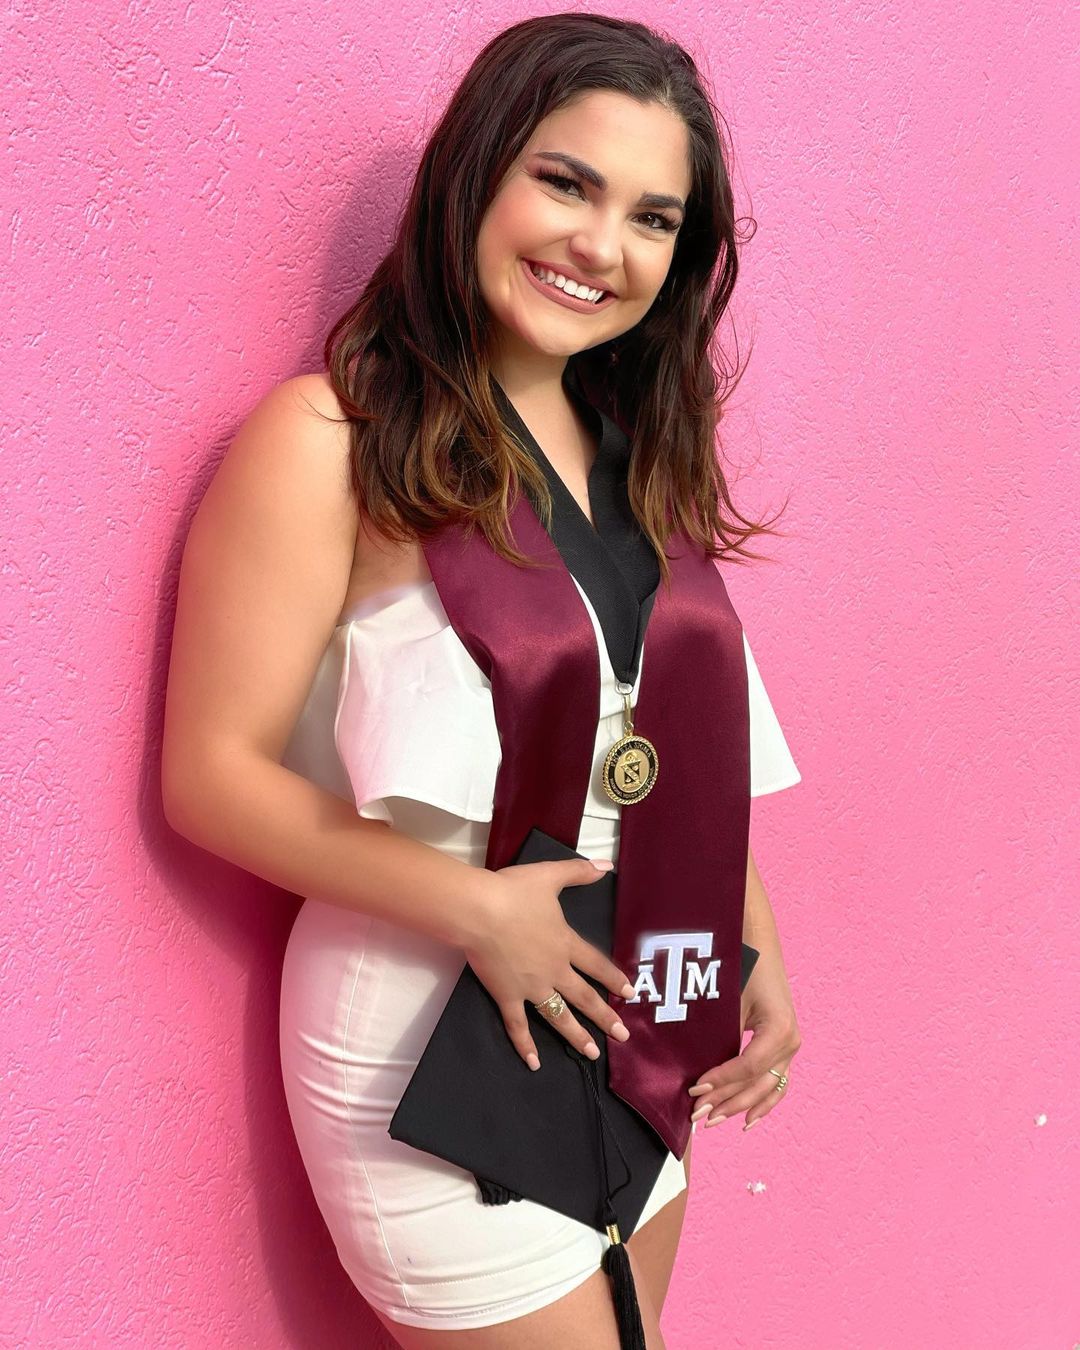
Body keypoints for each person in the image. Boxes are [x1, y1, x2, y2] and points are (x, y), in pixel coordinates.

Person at [161, 13, 803, 1348]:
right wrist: (476, 907)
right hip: (429, 1046)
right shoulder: (327, 441)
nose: (602, 245)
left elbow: (665, 750)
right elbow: (210, 776)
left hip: (637, 1013)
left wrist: (756, 948)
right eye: (566, 182)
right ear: (476, 173)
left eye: (652, 218)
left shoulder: (638, 453)